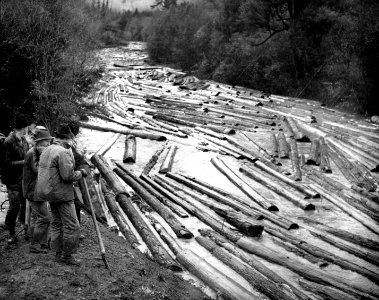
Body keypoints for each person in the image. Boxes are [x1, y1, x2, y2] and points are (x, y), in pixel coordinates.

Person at [35, 124, 87, 266]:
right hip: (62, 194)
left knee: (57, 223)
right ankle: (67, 256)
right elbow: (68, 176)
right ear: (67, 138)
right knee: (72, 226)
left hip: (48, 193)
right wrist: (81, 172)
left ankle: (57, 254)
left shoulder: (47, 150)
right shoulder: (63, 152)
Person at [23, 128, 52, 253]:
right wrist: (45, 156)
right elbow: (37, 171)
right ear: (39, 143)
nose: (49, 145)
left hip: (38, 190)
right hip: (33, 191)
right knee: (45, 218)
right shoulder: (32, 153)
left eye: (49, 143)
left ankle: (43, 243)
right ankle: (34, 245)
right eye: (47, 143)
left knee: (38, 216)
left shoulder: (38, 151)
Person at [3, 116, 30, 244]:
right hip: (12, 180)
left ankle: (25, 229)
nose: (28, 129)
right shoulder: (8, 142)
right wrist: (24, 162)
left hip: (23, 179)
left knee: (25, 205)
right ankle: (11, 233)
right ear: (24, 128)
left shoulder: (24, 140)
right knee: (14, 206)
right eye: (27, 127)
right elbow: (6, 164)